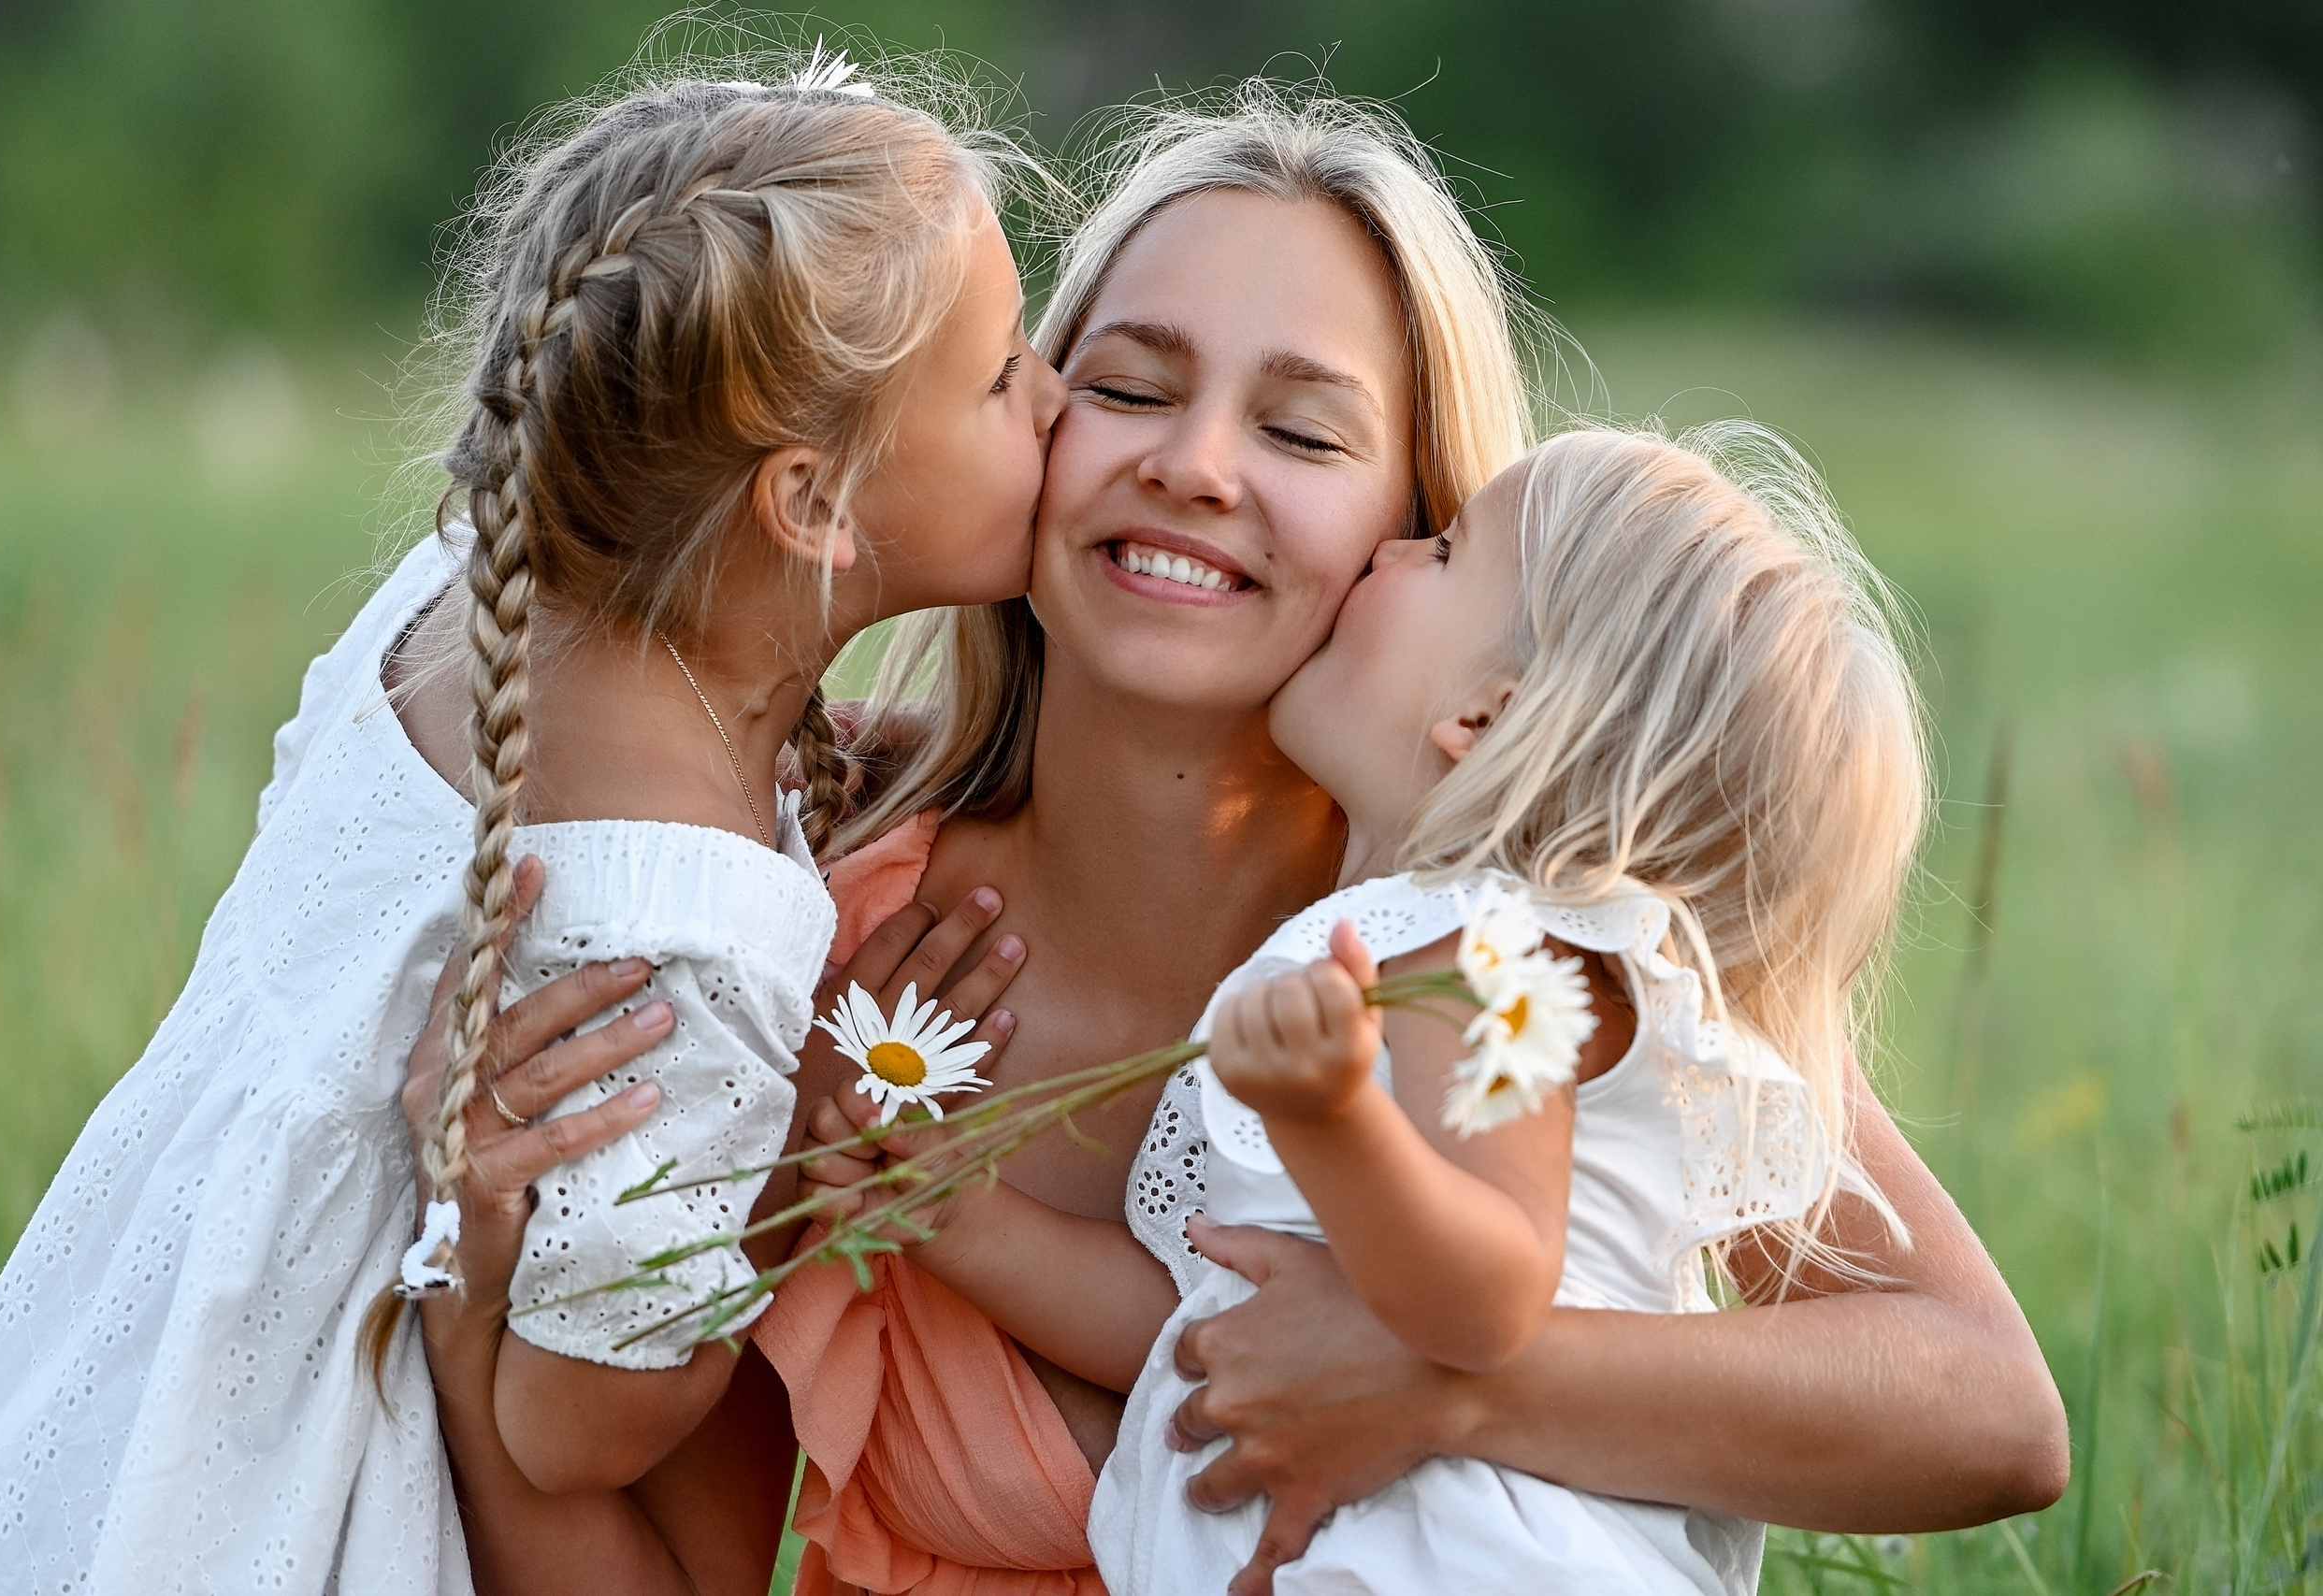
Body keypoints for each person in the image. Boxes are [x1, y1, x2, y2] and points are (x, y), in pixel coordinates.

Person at [411, 81, 2066, 1596]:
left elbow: (1990, 1412)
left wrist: (1446, 1375)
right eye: (1123, 386)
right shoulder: (837, 956)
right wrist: (472, 1305)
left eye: (1304, 431)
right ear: (1018, 429)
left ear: (1420, 530)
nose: (1193, 465)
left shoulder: (1524, 934)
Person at [0, 48, 1062, 1595]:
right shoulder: (686, 934)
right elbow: (582, 1430)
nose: (1055, 395)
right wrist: (784, 1159)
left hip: (102, 1415)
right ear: (814, 506)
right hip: (297, 1510)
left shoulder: (470, 602)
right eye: (1006, 376)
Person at [1075, 421, 1928, 1594]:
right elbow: (1209, 1326)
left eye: (1437, 552)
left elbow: (1487, 1305)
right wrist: (943, 1221)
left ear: (1486, 715)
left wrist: (1335, 1120)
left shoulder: (1478, 951)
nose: (1387, 554)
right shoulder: (1447, 944)